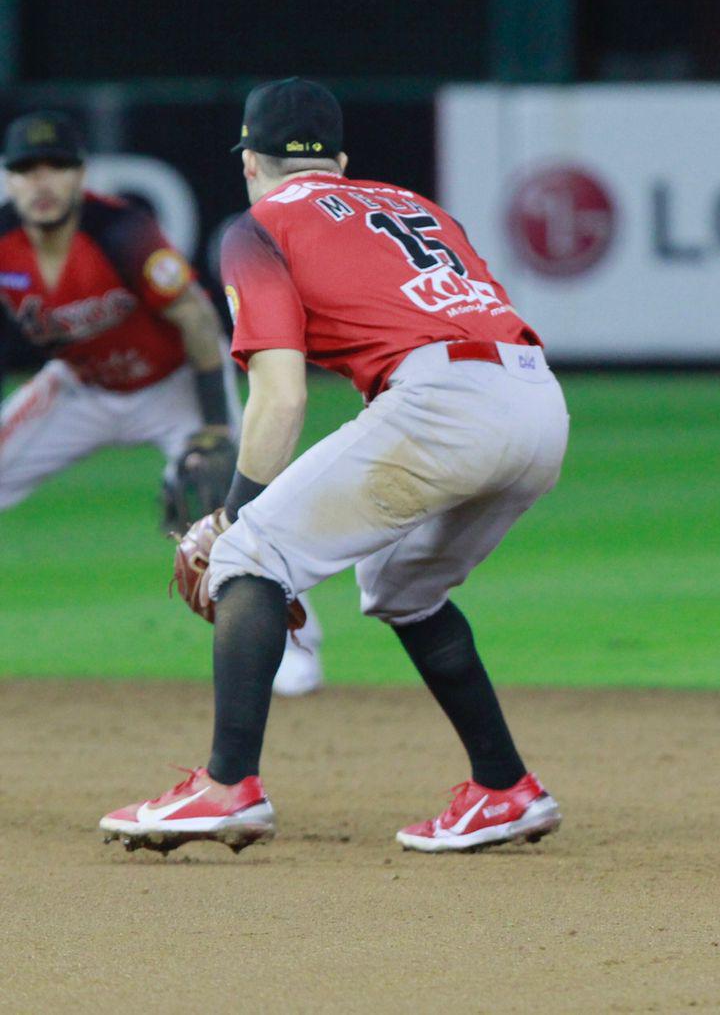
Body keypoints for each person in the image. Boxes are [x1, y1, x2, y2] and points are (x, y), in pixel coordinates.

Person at [99, 78, 569, 856]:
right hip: (539, 401)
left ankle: (226, 787)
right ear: (341, 162)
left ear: (250, 162)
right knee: (401, 585)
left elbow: (281, 397)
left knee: (251, 555)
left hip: (444, 403)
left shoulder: (259, 227)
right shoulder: (417, 205)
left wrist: (232, 518)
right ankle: (504, 787)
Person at [0, 111, 323, 697]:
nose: (41, 181)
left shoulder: (122, 231)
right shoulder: (4, 240)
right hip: (80, 385)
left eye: (56, 166)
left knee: (235, 506)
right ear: (9, 179)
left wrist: (216, 427)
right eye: (26, 169)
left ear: (81, 175)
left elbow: (197, 320)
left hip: (176, 382)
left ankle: (294, 646)